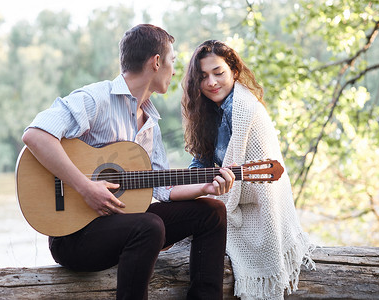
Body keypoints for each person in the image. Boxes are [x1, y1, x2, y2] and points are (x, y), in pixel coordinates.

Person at [22, 25, 236, 300]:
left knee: (212, 212)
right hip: (73, 236)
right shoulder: (96, 99)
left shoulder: (150, 123)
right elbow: (36, 135)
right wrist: (86, 188)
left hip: (121, 227)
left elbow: (161, 188)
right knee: (149, 225)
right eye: (171, 62)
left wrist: (204, 188)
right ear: (156, 62)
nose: (174, 71)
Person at [181, 40, 315, 300]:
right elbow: (200, 165)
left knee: (201, 217)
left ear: (234, 72)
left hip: (253, 209)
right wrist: (185, 186)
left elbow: (261, 187)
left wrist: (216, 191)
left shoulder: (245, 110)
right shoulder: (207, 111)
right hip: (225, 195)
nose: (211, 82)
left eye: (218, 73)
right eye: (203, 76)